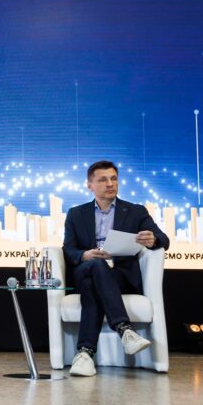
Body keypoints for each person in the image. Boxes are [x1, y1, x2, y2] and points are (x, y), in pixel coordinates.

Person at [62, 160, 169, 377]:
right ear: (89, 185)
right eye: (103, 179)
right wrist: (85, 255)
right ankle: (124, 330)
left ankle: (84, 354)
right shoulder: (76, 213)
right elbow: (69, 249)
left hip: (119, 275)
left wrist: (153, 239)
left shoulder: (136, 212)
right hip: (86, 268)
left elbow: (163, 239)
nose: (110, 184)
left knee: (92, 285)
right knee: (95, 265)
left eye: (114, 179)